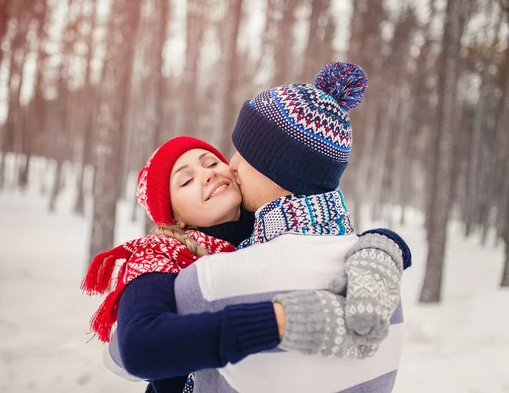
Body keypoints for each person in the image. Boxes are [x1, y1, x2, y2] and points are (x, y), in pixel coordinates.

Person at [83, 132, 409, 391]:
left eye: (211, 162)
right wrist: (284, 321)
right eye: (185, 180)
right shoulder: (159, 256)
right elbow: (141, 348)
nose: (207, 175)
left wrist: (380, 248)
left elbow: (334, 230)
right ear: (174, 217)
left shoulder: (271, 226)